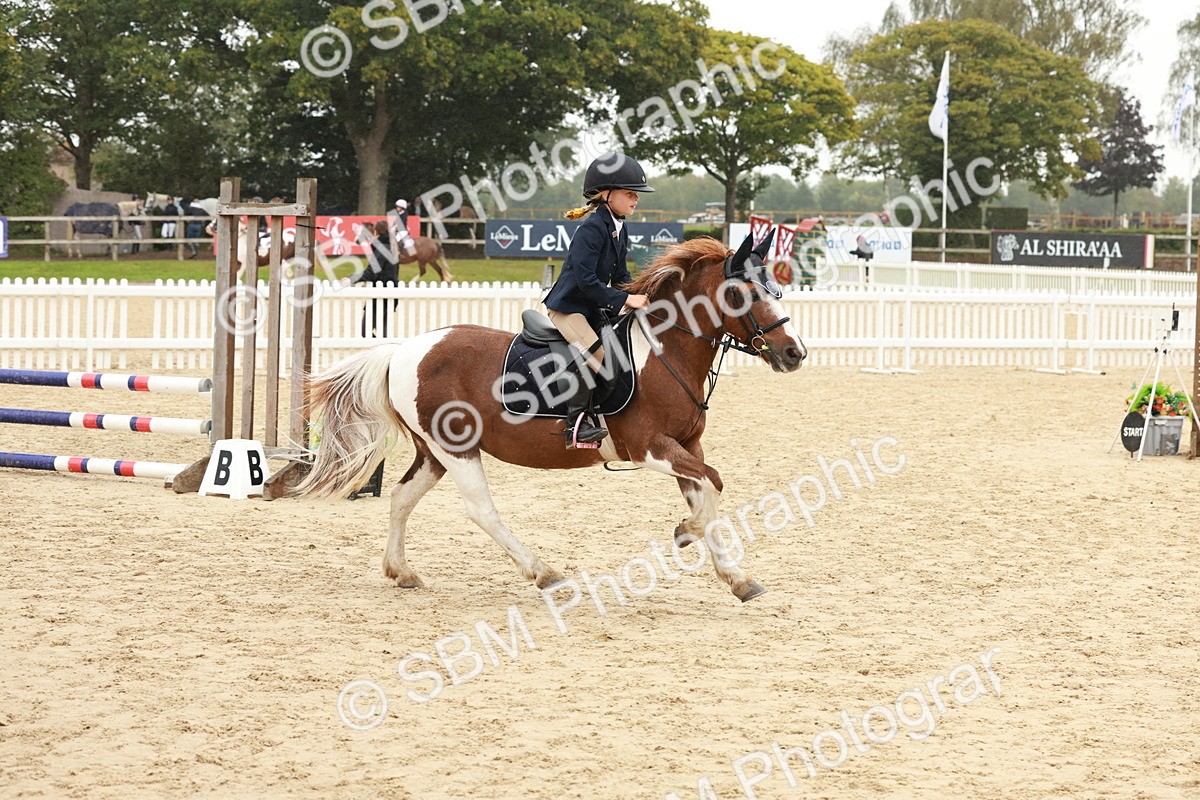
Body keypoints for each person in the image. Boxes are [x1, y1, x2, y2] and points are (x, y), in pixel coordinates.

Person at [542, 152, 653, 446]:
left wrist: (642, 293)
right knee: (601, 359)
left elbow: (619, 276)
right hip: (568, 309)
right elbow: (586, 280)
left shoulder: (619, 228)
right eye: (630, 194)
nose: (636, 200)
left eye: (636, 195)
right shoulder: (590, 230)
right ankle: (575, 424)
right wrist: (624, 301)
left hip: (591, 306)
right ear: (606, 195)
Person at [347, 220, 400, 337]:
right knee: (383, 332)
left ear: (376, 233)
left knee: (365, 331)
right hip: (391, 294)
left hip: (379, 295)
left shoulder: (382, 249)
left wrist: (350, 279)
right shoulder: (392, 248)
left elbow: (370, 273)